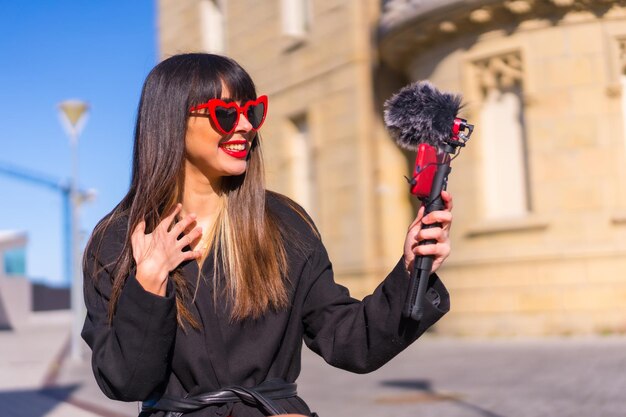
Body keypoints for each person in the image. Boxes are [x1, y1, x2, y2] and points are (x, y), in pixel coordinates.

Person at [81, 53, 453, 417]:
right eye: (225, 113)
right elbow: (126, 383)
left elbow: (349, 342)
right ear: (171, 122)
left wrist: (410, 271)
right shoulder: (115, 240)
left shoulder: (285, 222)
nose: (244, 125)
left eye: (252, 111)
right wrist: (148, 282)